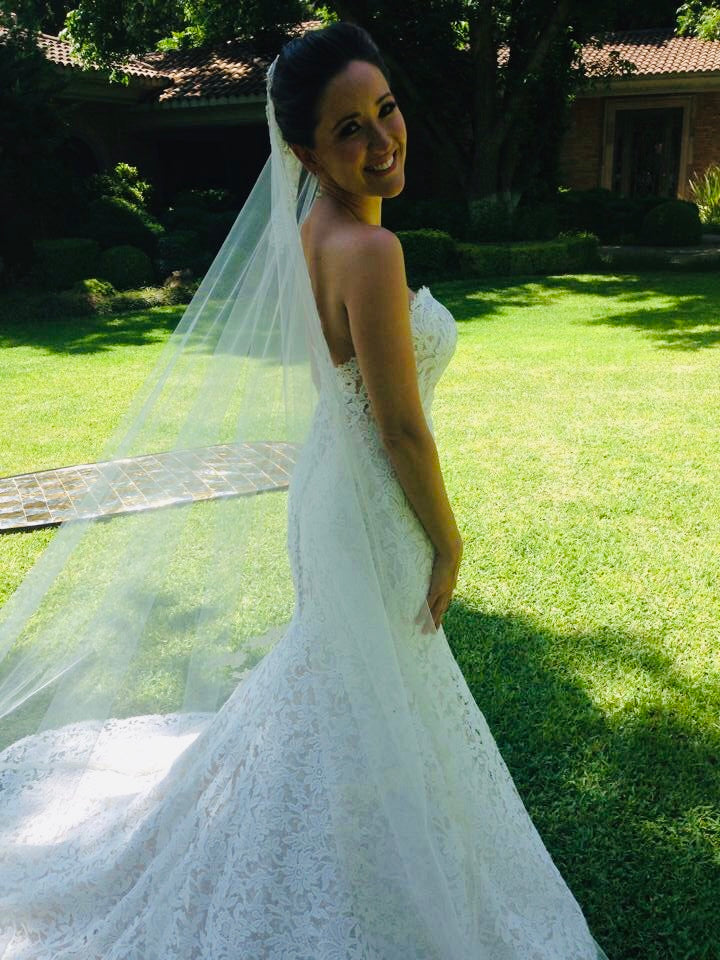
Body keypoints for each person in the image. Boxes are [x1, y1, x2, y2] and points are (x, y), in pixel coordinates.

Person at [0, 20, 610, 959]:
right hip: (369, 505)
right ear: (306, 151)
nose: (383, 140)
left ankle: (344, 848)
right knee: (361, 683)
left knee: (348, 683)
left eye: (386, 110)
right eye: (348, 129)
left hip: (334, 491)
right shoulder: (369, 250)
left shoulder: (316, 229)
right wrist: (449, 542)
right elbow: (401, 429)